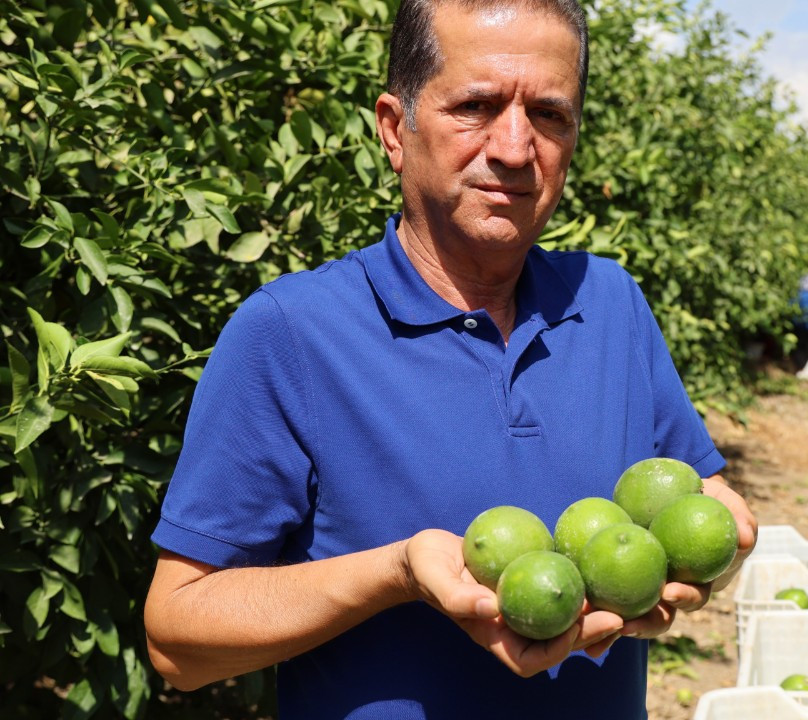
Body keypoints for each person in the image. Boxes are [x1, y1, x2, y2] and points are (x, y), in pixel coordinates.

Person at [142, 2, 757, 718]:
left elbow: (696, 498)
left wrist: (717, 544)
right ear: (394, 129)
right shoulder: (292, 333)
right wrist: (397, 572)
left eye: (551, 115)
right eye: (476, 106)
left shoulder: (611, 305)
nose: (516, 147)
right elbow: (178, 638)